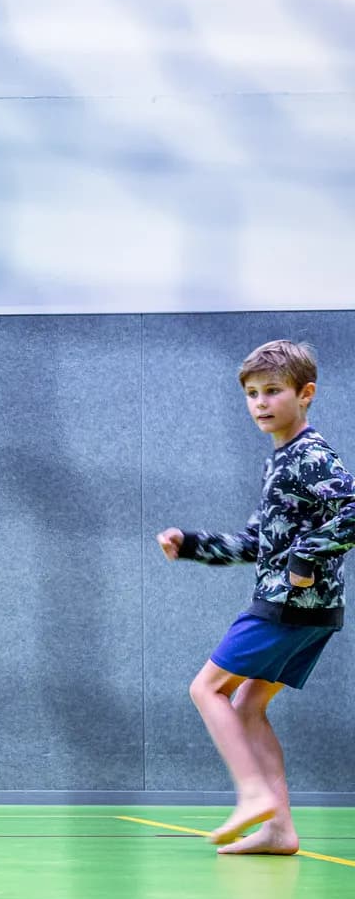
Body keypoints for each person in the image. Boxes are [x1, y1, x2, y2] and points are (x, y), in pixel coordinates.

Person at [157, 339, 355, 854]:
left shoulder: (310, 455)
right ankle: (279, 830)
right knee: (246, 707)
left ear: (306, 393)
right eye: (252, 394)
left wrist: (305, 559)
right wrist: (193, 544)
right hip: (310, 611)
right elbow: (255, 542)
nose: (261, 403)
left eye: (273, 391)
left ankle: (252, 794)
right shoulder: (279, 461)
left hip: (288, 605)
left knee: (207, 689)